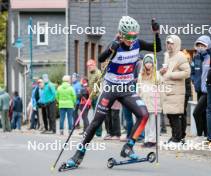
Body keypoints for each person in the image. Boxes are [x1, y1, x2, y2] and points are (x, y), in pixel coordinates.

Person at [62, 16, 161, 168]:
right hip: (110, 88)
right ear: (121, 34)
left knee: (144, 114)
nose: (131, 40)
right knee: (96, 122)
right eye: (128, 37)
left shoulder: (137, 44)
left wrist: (156, 33)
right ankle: (78, 155)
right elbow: (101, 59)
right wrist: (111, 48)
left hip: (126, 88)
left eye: (134, 36)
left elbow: (157, 48)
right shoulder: (116, 45)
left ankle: (128, 147)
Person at [160, 35, 190, 146]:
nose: (169, 45)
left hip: (177, 89)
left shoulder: (181, 56)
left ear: (176, 43)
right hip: (167, 89)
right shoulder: (167, 55)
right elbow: (165, 71)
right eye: (167, 42)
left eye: (171, 43)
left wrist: (171, 75)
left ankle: (178, 138)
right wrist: (162, 71)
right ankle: (174, 136)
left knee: (175, 114)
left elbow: (187, 72)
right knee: (170, 114)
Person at [138, 54, 162, 148]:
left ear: (153, 64)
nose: (148, 64)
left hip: (154, 101)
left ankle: (154, 140)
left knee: (154, 122)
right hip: (144, 101)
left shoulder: (157, 74)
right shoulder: (141, 75)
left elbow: (160, 85)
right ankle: (147, 139)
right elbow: (139, 89)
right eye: (146, 62)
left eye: (150, 62)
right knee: (146, 122)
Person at [191, 35, 211, 137]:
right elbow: (192, 72)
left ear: (207, 45)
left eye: (202, 45)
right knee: (202, 113)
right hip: (199, 89)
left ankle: (200, 135)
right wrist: (194, 81)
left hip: (207, 90)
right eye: (198, 45)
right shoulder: (196, 58)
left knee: (196, 112)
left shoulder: (210, 57)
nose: (200, 47)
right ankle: (205, 135)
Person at [86, 59, 103, 137]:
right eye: (88, 66)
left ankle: (98, 133)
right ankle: (95, 132)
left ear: (94, 64)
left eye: (91, 65)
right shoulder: (90, 74)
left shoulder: (98, 73)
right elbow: (90, 85)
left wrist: (95, 93)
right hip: (92, 97)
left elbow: (100, 85)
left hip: (97, 96)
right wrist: (89, 97)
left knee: (97, 115)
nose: (89, 67)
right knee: (94, 115)